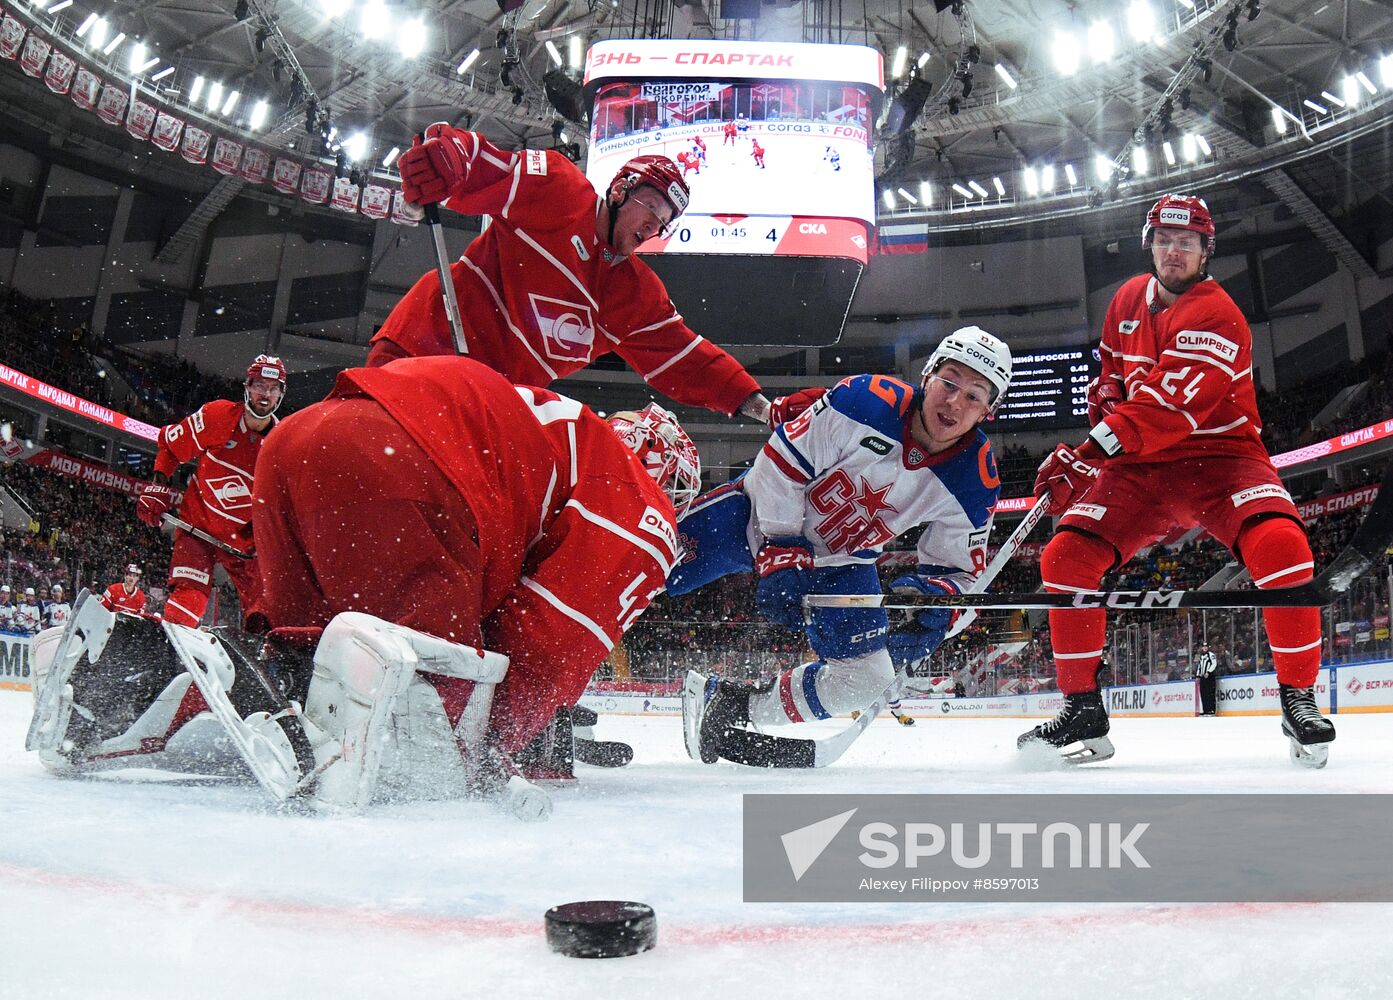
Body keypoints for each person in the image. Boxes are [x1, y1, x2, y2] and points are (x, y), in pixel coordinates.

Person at [249, 355, 701, 791]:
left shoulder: (561, 427)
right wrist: (494, 742)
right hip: (398, 461)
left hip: (295, 441)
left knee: (311, 646)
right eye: (676, 490)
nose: (671, 504)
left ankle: (258, 697)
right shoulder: (635, 492)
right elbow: (553, 641)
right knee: (428, 691)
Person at [1021, 194, 1334, 767]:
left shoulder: (1219, 313)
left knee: (1284, 548)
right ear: (1150, 243)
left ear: (1205, 250)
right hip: (1141, 471)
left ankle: (1298, 698)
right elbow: (1113, 381)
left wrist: (1091, 450)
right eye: (1165, 239)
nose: (1174, 250)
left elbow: (1168, 405)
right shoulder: (1123, 301)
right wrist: (1103, 407)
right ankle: (1083, 709)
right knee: (1065, 559)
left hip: (1222, 459)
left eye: (1186, 242)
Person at [677, 327, 1012, 766]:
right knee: (641, 566)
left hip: (841, 562)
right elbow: (782, 459)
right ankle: (562, 698)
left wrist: (933, 607)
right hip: (752, 514)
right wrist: (781, 546)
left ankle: (732, 706)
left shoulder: (977, 478)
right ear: (928, 376)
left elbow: (957, 571)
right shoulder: (866, 399)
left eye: (974, 395)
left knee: (867, 680)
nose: (954, 402)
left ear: (989, 409)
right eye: (949, 382)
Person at [376, 128, 773, 425]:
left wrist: (762, 408)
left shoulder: (636, 296)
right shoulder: (557, 188)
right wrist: (452, 156)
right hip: (426, 344)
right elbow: (487, 165)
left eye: (664, 221)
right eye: (651, 206)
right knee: (362, 441)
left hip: (487, 405)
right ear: (619, 190)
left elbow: (690, 362)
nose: (655, 225)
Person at [135, 355, 286, 629]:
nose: (265, 394)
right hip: (198, 529)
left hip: (243, 546)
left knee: (268, 617)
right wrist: (157, 484)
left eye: (273, 387)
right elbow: (171, 446)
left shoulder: (283, 445)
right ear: (247, 387)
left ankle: (256, 667)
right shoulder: (217, 417)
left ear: (281, 394)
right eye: (259, 385)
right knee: (187, 603)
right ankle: (170, 663)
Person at [1194, 642, 1218, 716]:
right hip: (1203, 677)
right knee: (1203, 693)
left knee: (1210, 693)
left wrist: (1208, 672)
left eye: (1206, 646)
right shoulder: (1201, 656)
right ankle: (1206, 710)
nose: (1205, 648)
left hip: (1209, 677)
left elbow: (1214, 664)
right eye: (1203, 646)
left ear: (1208, 647)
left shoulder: (1211, 655)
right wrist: (1198, 676)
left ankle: (1211, 710)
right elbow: (1200, 666)